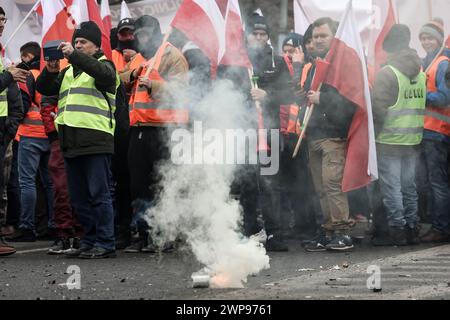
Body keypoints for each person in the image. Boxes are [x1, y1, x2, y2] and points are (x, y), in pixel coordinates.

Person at [36, 21, 120, 259]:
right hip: (70, 142)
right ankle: (90, 240)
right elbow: (44, 88)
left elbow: (103, 76)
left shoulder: (105, 66)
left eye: (83, 42)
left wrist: (75, 56)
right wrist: (51, 69)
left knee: (99, 194)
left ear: (96, 45)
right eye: (76, 42)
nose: (77, 45)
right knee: (79, 197)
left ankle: (106, 242)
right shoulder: (69, 71)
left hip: (95, 139)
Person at [120, 15, 189, 253]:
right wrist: (133, 72)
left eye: (147, 34)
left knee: (163, 185)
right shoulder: (139, 58)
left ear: (157, 33)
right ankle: (143, 233)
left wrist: (155, 86)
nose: (142, 38)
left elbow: (181, 91)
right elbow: (121, 80)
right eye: (139, 35)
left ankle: (165, 235)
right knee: (138, 185)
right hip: (138, 129)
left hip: (164, 130)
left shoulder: (172, 55)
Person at [299, 17, 356, 252]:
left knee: (333, 185)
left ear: (335, 37)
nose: (318, 40)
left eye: (323, 35)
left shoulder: (342, 65)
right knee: (320, 187)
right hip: (314, 135)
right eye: (315, 36)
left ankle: (343, 232)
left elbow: (350, 100)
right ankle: (328, 230)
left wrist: (321, 98)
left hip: (333, 136)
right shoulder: (314, 65)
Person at [371, 24, 426, 246]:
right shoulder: (420, 72)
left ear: (390, 48)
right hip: (413, 140)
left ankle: (397, 231)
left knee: (392, 189)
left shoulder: (388, 73)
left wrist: (372, 136)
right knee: (409, 187)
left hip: (389, 140)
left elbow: (378, 110)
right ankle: (413, 228)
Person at [245, 13, 294, 251]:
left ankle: (276, 233)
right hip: (244, 130)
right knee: (246, 183)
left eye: (262, 34)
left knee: (270, 182)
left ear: (268, 37)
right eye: (254, 33)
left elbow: (289, 94)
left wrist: (267, 95)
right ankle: (251, 230)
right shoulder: (239, 61)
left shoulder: (278, 61)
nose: (258, 37)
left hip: (270, 131)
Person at [7, 42, 54, 243]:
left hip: (30, 135)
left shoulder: (27, 77)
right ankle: (54, 225)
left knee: (26, 183)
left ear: (27, 56)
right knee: (50, 183)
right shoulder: (49, 74)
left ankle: (27, 227)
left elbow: (22, 107)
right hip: (49, 134)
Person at [418, 21, 450, 243]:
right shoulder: (429, 63)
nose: (426, 41)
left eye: (429, 38)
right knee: (432, 182)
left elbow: (445, 97)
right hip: (429, 131)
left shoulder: (443, 64)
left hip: (438, 132)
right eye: (423, 38)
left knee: (438, 183)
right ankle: (438, 225)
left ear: (439, 39)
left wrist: (421, 96)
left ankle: (441, 228)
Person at [0, 6, 27, 256]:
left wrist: (11, 126)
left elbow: (13, 96)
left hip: (3, 133)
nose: (1, 24)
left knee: (3, 186)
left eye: (3, 19)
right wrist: (8, 76)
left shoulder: (1, 53)